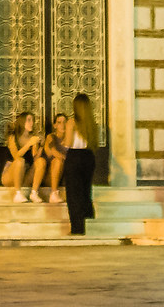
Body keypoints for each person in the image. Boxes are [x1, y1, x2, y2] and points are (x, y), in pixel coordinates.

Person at [60, 93, 98, 235]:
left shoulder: (72, 122)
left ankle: (77, 228)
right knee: (86, 192)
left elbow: (68, 143)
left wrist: (63, 139)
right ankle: (89, 221)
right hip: (89, 157)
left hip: (74, 157)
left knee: (74, 194)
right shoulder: (92, 124)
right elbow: (94, 144)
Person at [0, 111, 36, 197]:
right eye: (29, 120)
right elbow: (16, 156)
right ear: (22, 122)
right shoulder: (13, 137)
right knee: (20, 161)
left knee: (39, 163)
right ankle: (18, 194)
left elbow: (35, 159)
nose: (32, 123)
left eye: (33, 120)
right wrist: (28, 144)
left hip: (25, 175)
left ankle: (35, 193)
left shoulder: (33, 138)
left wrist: (40, 146)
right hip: (11, 175)